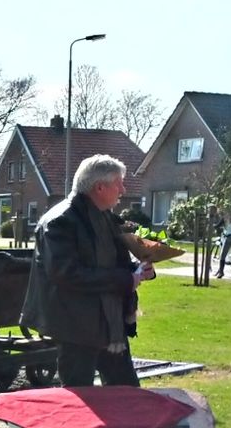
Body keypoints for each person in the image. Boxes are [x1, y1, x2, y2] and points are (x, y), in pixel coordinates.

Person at [20, 154, 156, 387]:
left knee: (127, 393)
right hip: (75, 327)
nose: (123, 190)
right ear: (100, 187)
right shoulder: (59, 221)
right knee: (80, 399)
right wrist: (126, 279)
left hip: (109, 324)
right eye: (118, 183)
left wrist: (140, 269)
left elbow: (114, 262)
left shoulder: (106, 217)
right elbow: (66, 273)